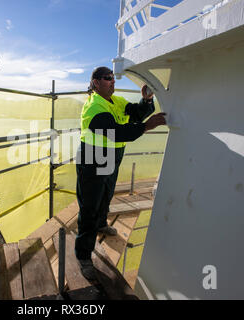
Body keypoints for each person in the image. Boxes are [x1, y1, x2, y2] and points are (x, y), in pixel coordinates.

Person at [75, 66, 166, 280]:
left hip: (111, 156)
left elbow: (135, 112)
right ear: (96, 82)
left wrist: (146, 101)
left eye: (113, 78)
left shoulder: (116, 101)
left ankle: (101, 224)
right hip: (93, 158)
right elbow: (116, 133)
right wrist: (147, 126)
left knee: (106, 194)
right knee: (89, 205)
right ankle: (83, 255)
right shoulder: (93, 107)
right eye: (108, 78)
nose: (112, 81)